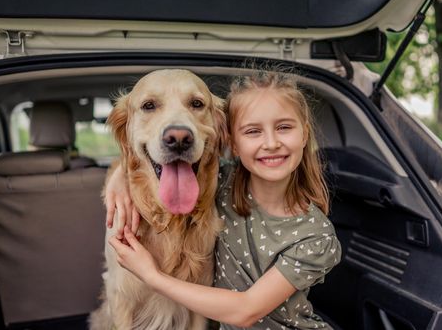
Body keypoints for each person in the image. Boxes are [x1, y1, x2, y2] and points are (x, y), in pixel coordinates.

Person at [107, 69, 342, 329]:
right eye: (253, 131)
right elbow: (132, 159)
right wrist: (121, 175)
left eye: (196, 104)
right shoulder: (224, 185)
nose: (272, 143)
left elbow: (246, 310)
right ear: (233, 141)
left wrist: (150, 276)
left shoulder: (316, 237)